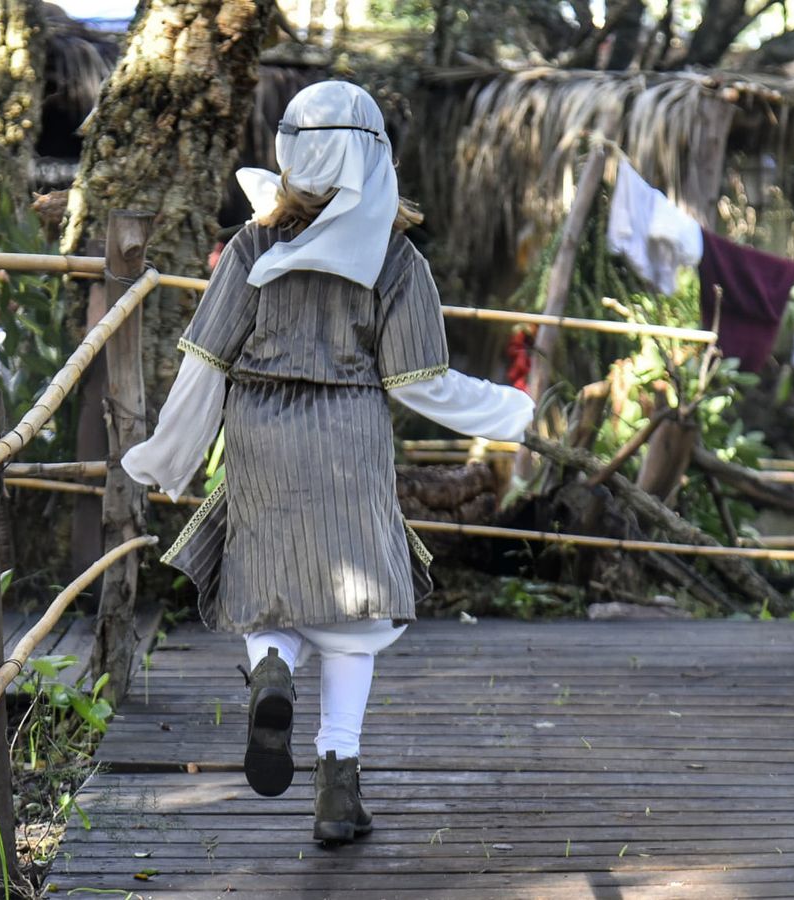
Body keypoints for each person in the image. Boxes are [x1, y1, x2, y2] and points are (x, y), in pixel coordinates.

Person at [122, 81, 533, 846]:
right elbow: (424, 382)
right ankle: (336, 787)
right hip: (349, 439)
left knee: (264, 583)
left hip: (259, 437)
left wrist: (166, 460)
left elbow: (204, 366)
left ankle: (272, 669)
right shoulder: (395, 261)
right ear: (374, 156)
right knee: (353, 620)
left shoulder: (250, 247)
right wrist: (518, 416)